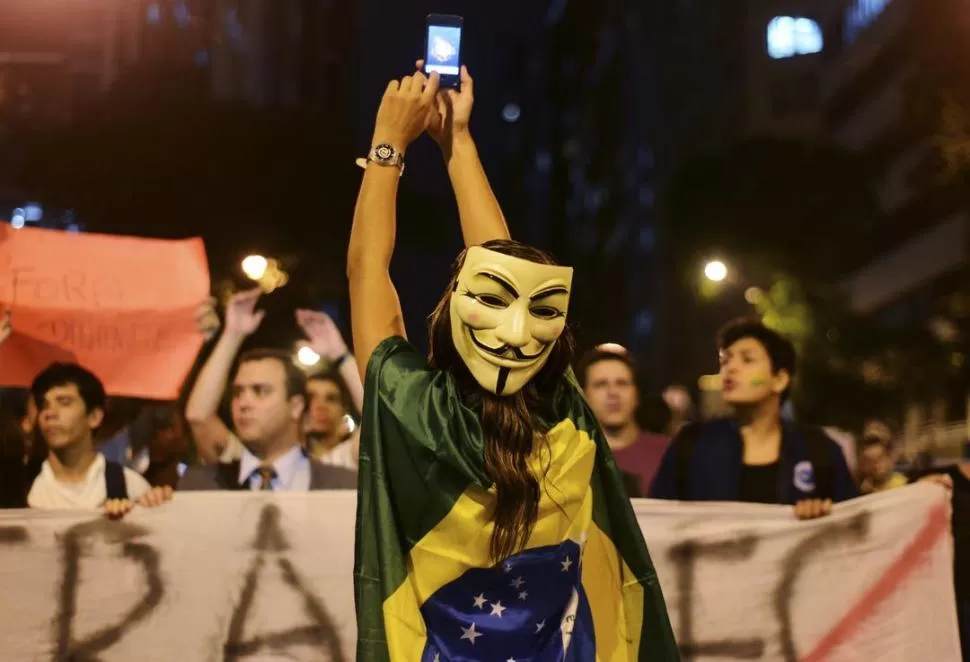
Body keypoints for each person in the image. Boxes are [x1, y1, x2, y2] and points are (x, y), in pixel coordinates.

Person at [349, 66, 677, 661]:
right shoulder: (565, 418)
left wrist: (388, 142)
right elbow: (503, 266)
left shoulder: (415, 411)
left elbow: (367, 272)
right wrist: (460, 143)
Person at [650, 318, 857, 518]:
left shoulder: (818, 450)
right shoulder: (692, 443)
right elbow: (657, 520)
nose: (730, 369)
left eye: (747, 359)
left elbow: (854, 526)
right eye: (725, 360)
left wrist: (820, 514)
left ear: (779, 379)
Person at [180, 344, 357, 491]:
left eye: (261, 391)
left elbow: (380, 421)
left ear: (296, 407)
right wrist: (232, 335)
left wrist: (342, 356)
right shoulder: (207, 480)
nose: (244, 403)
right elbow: (199, 417)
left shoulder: (343, 482)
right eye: (238, 393)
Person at [26, 363, 172, 515]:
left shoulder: (130, 487)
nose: (50, 413)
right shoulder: (22, 490)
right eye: (44, 405)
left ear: (94, 417)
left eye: (64, 402)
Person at [577, 347, 670, 497]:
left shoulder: (669, 454)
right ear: (584, 396)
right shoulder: (567, 458)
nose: (613, 393)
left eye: (622, 383)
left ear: (636, 393)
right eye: (600, 384)